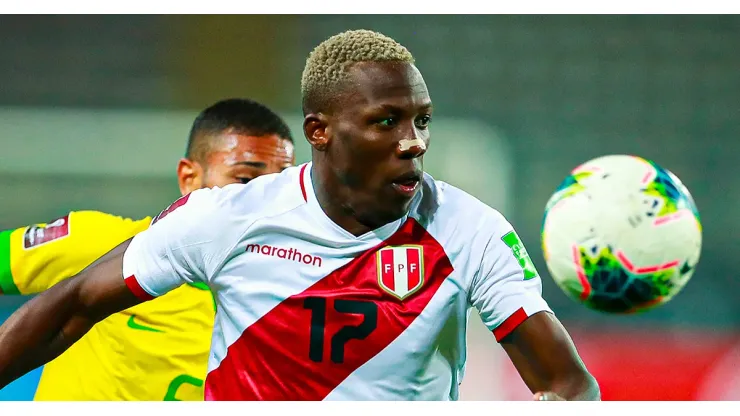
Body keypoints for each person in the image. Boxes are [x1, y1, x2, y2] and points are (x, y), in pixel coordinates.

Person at [0, 30, 599, 401]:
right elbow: (74, 306)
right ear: (319, 131)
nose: (413, 140)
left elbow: (569, 384)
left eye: (422, 121)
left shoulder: (472, 231)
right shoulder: (229, 218)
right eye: (387, 121)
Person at [0, 98, 295, 400]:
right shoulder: (102, 244)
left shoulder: (296, 297)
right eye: (245, 179)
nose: (267, 200)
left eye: (281, 185)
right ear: (189, 179)